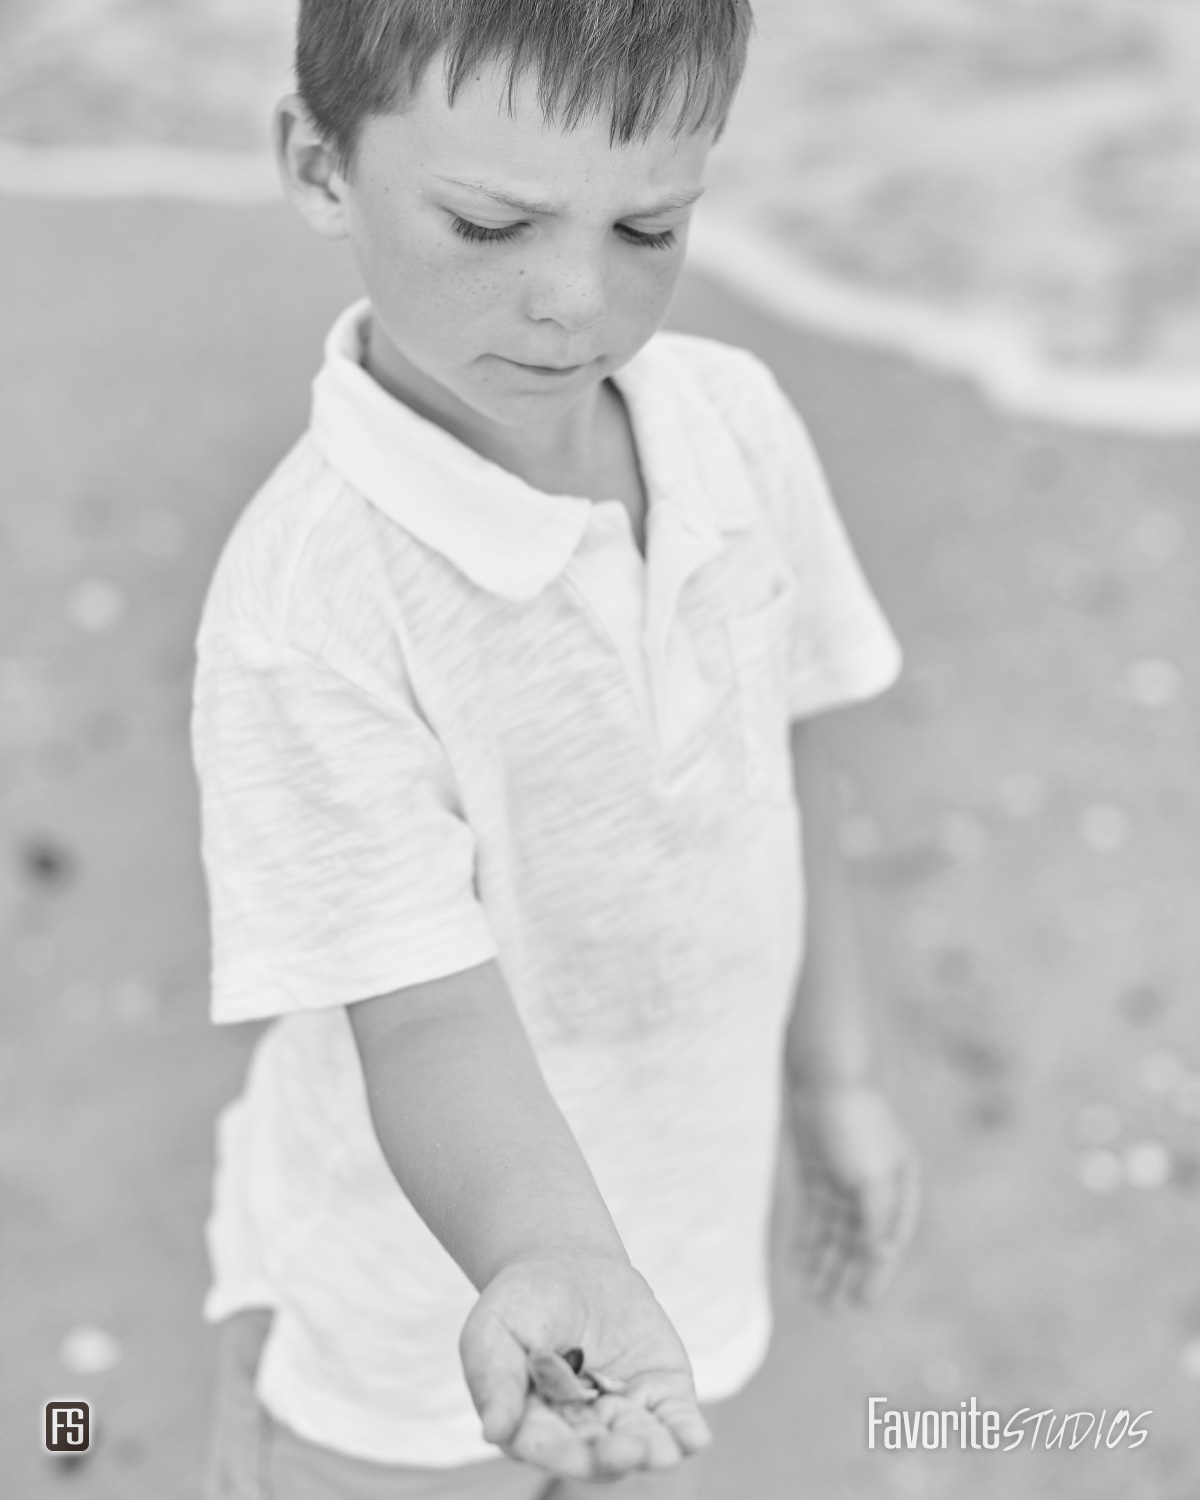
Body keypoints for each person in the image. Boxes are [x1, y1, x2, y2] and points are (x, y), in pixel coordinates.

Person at [193, 2, 920, 1496]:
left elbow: (780, 778)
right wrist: (552, 1255)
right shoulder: (312, 603)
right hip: (418, 1319)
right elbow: (422, 1017)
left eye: (650, 227)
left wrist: (834, 1077)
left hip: (677, 1242)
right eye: (491, 221)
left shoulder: (734, 428)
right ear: (320, 166)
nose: (577, 300)